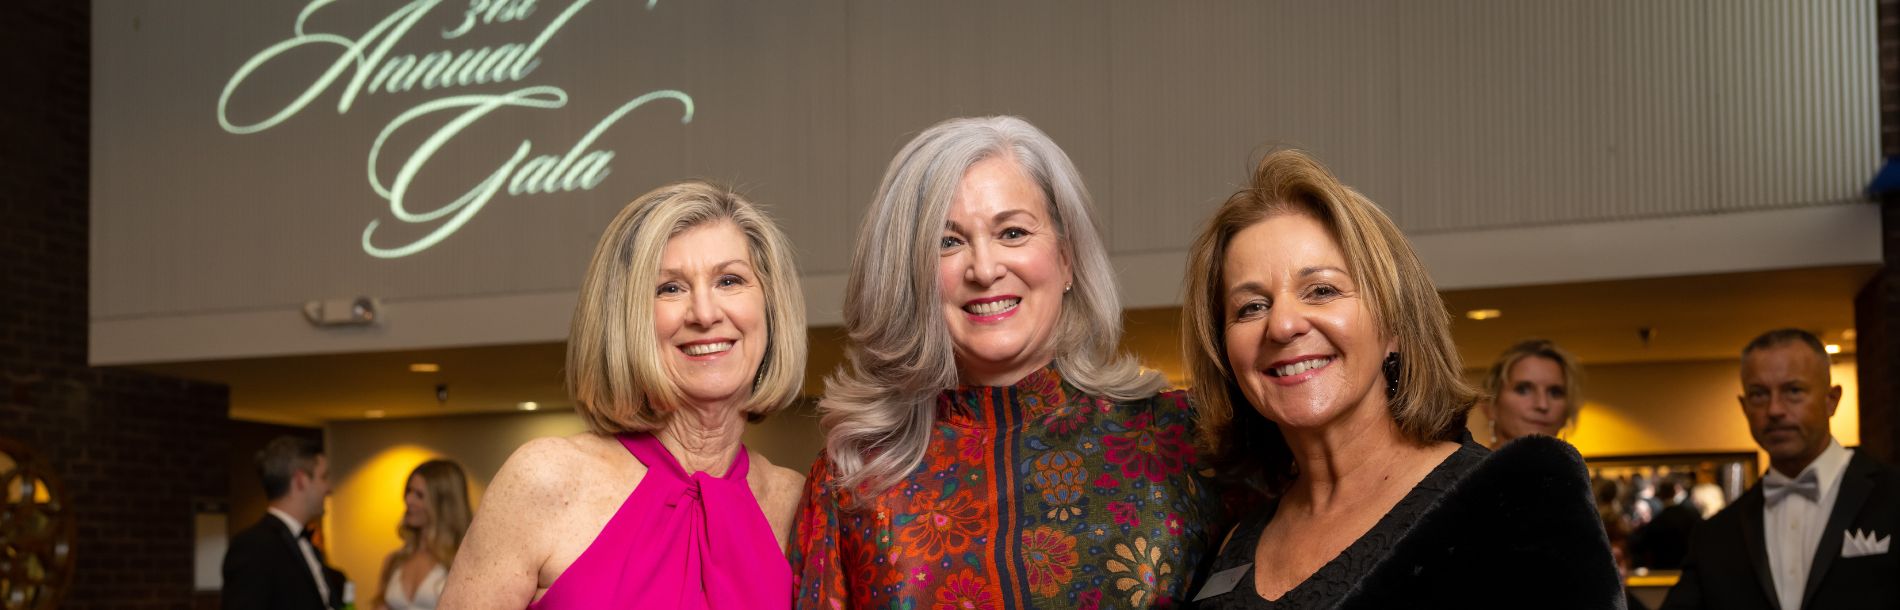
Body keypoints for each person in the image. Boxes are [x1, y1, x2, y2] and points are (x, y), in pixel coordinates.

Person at [790, 116, 1220, 609]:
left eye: (1012, 232)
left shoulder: (1184, 438)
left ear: (1066, 258)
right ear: (908, 276)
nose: (986, 269)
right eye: (947, 242)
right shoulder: (855, 478)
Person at [1181, 150, 1623, 608]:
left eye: (1322, 290)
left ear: (1394, 326)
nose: (1283, 325)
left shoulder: (1514, 501)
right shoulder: (1236, 538)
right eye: (1251, 307)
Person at [439, 181, 809, 609]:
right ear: (623, 319)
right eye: (669, 288)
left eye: (730, 280)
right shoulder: (545, 480)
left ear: (770, 306)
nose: (706, 314)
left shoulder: (795, 502)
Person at [1663, 329, 1900, 610]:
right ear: (1744, 407)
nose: (1774, 409)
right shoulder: (1716, 535)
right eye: (1759, 394)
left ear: (1831, 400)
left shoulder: (1893, 497)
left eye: (1793, 391)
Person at [223, 436, 346, 610]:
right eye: (324, 477)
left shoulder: (305, 541)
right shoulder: (253, 546)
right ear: (300, 481)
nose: (329, 488)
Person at [372, 460, 472, 610]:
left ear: (443, 504)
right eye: (409, 492)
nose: (408, 500)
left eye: (419, 495)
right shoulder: (394, 561)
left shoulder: (463, 562)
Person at [1478, 338, 1583, 447]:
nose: (1543, 405)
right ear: (1490, 405)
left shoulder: (1576, 464)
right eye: (1522, 390)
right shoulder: (1466, 463)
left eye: (1555, 393)